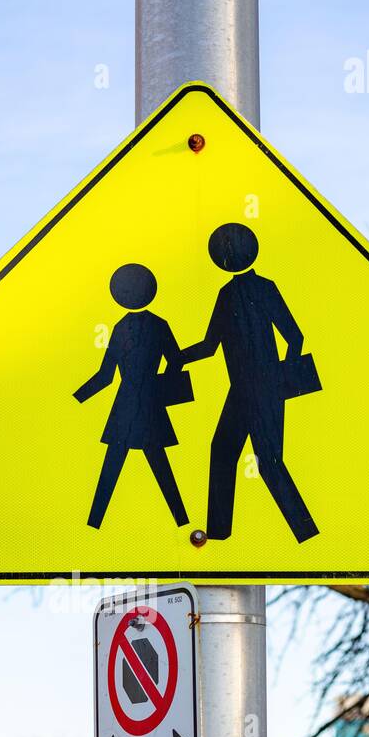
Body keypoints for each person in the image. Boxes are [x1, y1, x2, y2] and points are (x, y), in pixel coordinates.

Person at [181, 223, 320, 543]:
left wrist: (279, 378)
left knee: (268, 462)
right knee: (224, 450)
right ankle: (218, 534)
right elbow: (211, 345)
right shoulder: (227, 294)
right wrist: (178, 357)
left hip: (265, 389)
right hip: (241, 391)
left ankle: (306, 531)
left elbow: (294, 336)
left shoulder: (263, 288)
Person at [74, 263, 191, 530]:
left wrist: (79, 397)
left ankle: (94, 523)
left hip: (127, 406)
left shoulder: (121, 327)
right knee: (156, 463)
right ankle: (182, 522)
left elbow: (105, 376)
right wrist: (161, 388)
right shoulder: (159, 325)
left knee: (116, 465)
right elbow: (176, 360)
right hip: (149, 403)